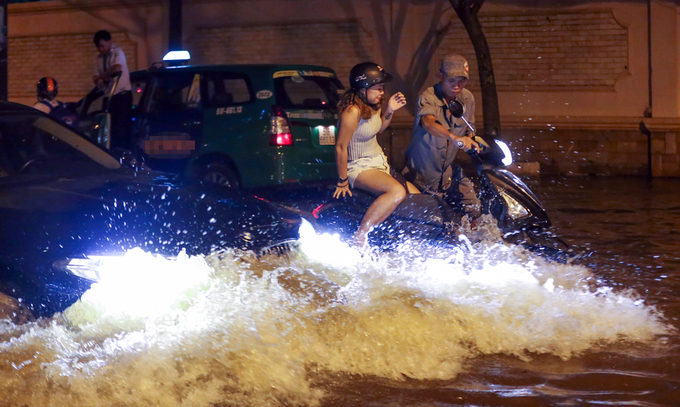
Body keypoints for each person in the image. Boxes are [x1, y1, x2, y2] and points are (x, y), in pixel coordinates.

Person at [333, 62, 420, 246]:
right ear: (364, 89)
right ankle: (361, 236)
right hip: (358, 167)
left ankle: (404, 237)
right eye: (378, 88)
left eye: (382, 88)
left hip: (379, 164)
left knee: (419, 198)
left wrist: (390, 110)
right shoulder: (352, 112)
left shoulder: (373, 105)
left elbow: (379, 128)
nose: (382, 92)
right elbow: (340, 147)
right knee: (396, 191)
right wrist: (342, 181)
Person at [403, 53, 481, 219]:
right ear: (440, 75)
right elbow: (428, 122)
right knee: (437, 218)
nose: (456, 86)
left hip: (448, 171)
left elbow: (470, 128)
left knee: (473, 208)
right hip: (423, 173)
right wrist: (453, 137)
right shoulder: (428, 97)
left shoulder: (467, 98)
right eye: (451, 80)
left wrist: (473, 140)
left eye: (462, 80)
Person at [92, 30, 132, 149]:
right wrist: (98, 81)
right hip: (108, 96)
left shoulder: (117, 52)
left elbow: (117, 68)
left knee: (120, 129)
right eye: (98, 47)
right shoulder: (99, 58)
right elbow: (95, 76)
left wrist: (103, 76)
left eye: (102, 46)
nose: (101, 49)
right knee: (108, 129)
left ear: (109, 42)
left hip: (121, 96)